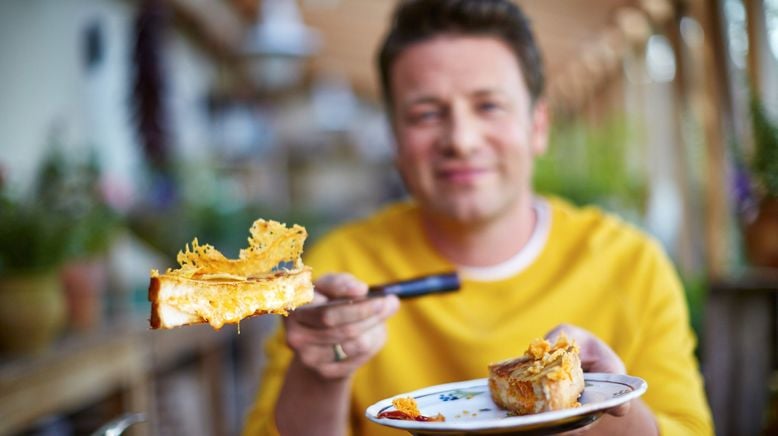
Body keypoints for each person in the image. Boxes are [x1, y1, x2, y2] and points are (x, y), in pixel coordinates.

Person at [244, 0, 713, 434]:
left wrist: (598, 400)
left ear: (538, 125)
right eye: (427, 114)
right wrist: (318, 371)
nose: (462, 140)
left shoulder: (631, 264)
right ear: (395, 140)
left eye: (489, 106)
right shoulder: (341, 267)